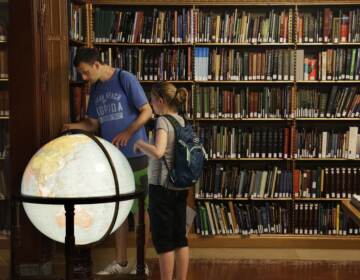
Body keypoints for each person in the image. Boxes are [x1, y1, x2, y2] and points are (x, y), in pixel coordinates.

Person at [63, 47, 152, 275]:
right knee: (119, 211)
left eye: (84, 73)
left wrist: (128, 132)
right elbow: (93, 124)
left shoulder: (125, 79)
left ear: (96, 65)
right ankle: (120, 262)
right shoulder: (97, 89)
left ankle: (142, 262)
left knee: (140, 211)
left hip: (136, 155)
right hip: (112, 160)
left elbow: (147, 111)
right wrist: (71, 127)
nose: (84, 78)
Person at [134, 82, 189, 280]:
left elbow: (158, 151)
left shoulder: (163, 122)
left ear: (161, 100)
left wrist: (141, 144)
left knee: (164, 240)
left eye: (152, 100)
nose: (150, 104)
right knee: (179, 238)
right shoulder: (181, 120)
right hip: (180, 186)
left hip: (162, 187)